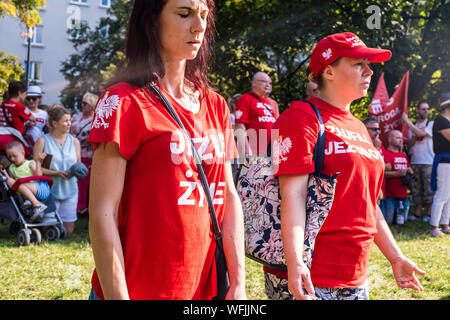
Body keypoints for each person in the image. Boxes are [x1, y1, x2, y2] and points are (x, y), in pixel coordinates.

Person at [87, 0, 246, 300]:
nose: (198, 26)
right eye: (184, 14)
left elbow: (229, 196)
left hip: (204, 291)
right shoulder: (123, 101)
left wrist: (238, 283)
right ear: (151, 21)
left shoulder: (216, 105)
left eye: (203, 15)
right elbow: (102, 212)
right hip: (136, 288)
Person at [266, 32, 424, 300]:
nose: (369, 71)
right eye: (357, 63)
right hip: (309, 275)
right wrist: (295, 263)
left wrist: (395, 257)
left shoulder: (359, 126)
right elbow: (293, 194)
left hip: (355, 275)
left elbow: (368, 203)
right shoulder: (299, 117)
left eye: (369, 64)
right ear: (328, 70)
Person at [33, 103, 81, 234]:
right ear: (54, 123)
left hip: (70, 189)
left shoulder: (75, 142)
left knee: (68, 231)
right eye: (65, 121)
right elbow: (35, 169)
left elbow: (78, 166)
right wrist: (56, 173)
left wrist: (77, 171)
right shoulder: (42, 141)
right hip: (50, 191)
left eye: (70, 120)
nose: (69, 123)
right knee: (48, 230)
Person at [401, 102, 434, 222]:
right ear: (417, 110)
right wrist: (415, 134)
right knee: (416, 188)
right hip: (415, 161)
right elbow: (408, 145)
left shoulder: (431, 124)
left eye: (427, 109)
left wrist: (407, 121)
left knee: (428, 187)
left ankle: (429, 214)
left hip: (428, 161)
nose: (426, 111)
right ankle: (418, 213)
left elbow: (421, 133)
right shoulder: (413, 125)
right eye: (423, 109)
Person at [1, 141, 50, 221]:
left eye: (14, 156)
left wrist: (37, 162)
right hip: (24, 194)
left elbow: (39, 177)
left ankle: (37, 204)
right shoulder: (11, 168)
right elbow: (12, 183)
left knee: (19, 185)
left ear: (23, 153)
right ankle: (32, 204)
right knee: (11, 182)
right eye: (10, 157)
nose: (12, 159)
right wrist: (5, 173)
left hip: (40, 188)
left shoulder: (30, 163)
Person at [234, 72, 279, 157]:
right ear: (254, 83)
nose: (268, 85)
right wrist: (246, 151)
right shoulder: (245, 99)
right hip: (254, 152)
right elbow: (239, 126)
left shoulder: (272, 103)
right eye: (264, 81)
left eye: (270, 83)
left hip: (272, 151)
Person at [70, 92, 98, 215]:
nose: (82, 105)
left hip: (86, 154)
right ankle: (72, 205)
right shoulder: (76, 116)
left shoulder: (96, 119)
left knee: (83, 181)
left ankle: (81, 207)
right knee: (73, 179)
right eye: (82, 103)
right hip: (72, 151)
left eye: (85, 103)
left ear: (92, 105)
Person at [429, 92, 450, 237]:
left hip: (447, 162)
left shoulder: (445, 121)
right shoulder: (441, 121)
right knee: (442, 195)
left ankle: (445, 224)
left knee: (448, 196)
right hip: (444, 162)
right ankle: (434, 227)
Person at [383, 130, 414, 225]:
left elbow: (410, 170)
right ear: (390, 139)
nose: (401, 140)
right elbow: (382, 173)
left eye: (401, 138)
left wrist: (409, 171)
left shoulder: (403, 155)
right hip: (390, 195)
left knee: (402, 222)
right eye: (398, 138)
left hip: (403, 195)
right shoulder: (385, 153)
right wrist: (398, 174)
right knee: (389, 222)